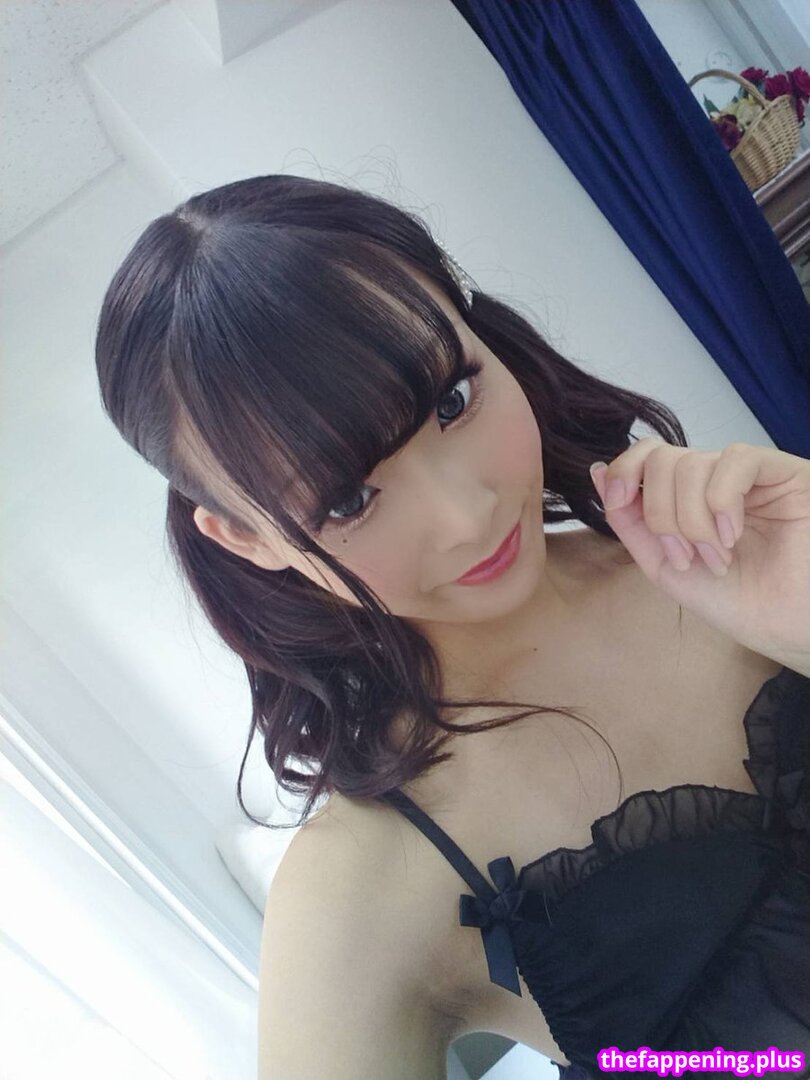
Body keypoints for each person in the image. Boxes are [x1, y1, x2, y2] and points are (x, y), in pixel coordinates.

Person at [94, 174, 810, 1080]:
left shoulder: (737, 551)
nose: (468, 515)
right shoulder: (364, 885)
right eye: (348, 499)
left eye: (453, 402)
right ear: (249, 539)